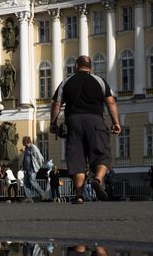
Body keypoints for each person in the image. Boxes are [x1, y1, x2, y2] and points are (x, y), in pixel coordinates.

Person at [50, 55, 120, 204]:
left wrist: (53, 123)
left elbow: (56, 104)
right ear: (90, 67)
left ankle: (79, 196)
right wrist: (116, 122)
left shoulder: (66, 82)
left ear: (76, 66)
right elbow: (111, 102)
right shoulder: (99, 81)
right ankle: (98, 179)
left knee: (77, 159)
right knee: (102, 154)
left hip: (73, 122)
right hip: (95, 120)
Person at [20, 136, 46, 201]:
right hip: (26, 168)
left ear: (26, 141)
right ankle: (28, 197)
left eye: (23, 141)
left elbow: (40, 157)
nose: (22, 142)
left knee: (32, 182)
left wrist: (39, 165)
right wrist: (22, 165)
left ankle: (42, 193)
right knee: (26, 182)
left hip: (32, 168)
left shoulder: (33, 147)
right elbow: (25, 158)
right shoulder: (26, 148)